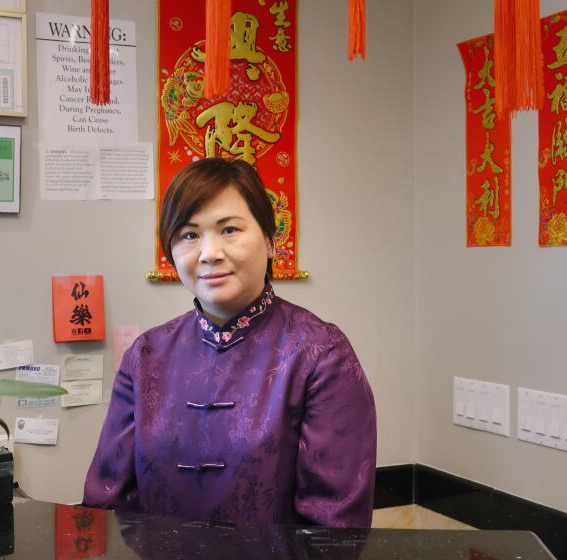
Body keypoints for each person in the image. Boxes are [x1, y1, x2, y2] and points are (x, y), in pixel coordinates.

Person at [82, 158, 377, 527]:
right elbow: (106, 499)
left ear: (270, 241)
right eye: (189, 235)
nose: (209, 253)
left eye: (230, 230)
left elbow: (335, 526)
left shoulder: (320, 352)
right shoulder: (146, 355)